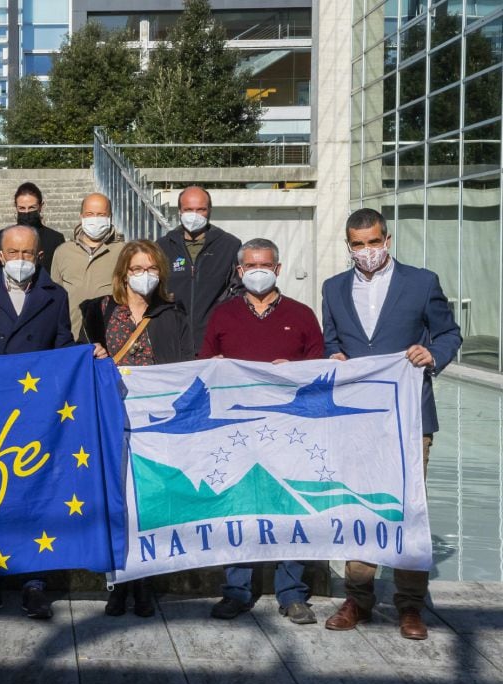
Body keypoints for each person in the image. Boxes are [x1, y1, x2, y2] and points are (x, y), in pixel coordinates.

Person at [322, 208, 462, 641]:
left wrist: (431, 355)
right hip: (358, 420)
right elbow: (332, 339)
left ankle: (409, 607)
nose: (367, 251)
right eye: (358, 244)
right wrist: (335, 357)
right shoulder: (333, 288)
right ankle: (357, 599)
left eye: (373, 241)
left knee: (407, 510)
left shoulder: (421, 282)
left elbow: (448, 333)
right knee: (359, 505)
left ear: (388, 238)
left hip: (409, 418)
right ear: (349, 246)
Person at [0, 224, 80, 620]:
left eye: (28, 254)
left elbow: (62, 347)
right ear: (0, 256)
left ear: (39, 257)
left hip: (35, 416)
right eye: (13, 253)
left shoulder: (55, 296)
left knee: (32, 496)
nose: (20, 260)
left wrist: (87, 357)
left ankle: (33, 584)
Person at [197, 238, 324, 625]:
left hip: (288, 431)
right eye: (249, 265)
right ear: (238, 272)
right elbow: (202, 367)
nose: (257, 271)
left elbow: (319, 374)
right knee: (239, 506)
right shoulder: (222, 315)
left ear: (278, 269)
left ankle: (292, 593)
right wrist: (217, 367)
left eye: (264, 264)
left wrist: (296, 373)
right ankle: (237, 590)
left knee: (289, 507)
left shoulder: (302, 315)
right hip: (237, 431)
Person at [79, 239, 194, 619]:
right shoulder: (100, 312)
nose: (143, 276)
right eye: (136, 269)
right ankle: (117, 584)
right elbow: (78, 357)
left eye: (150, 269)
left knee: (147, 502)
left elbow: (184, 364)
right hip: (110, 419)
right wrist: (91, 354)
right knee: (116, 500)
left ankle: (144, 582)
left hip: (154, 422)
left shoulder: (172, 314)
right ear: (123, 274)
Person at [156, 186, 242, 353]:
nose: (194, 215)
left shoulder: (230, 245)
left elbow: (239, 291)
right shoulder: (162, 246)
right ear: (180, 210)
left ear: (209, 210)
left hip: (214, 342)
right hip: (172, 341)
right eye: (188, 209)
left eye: (200, 209)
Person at [49, 192, 125, 338]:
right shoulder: (63, 251)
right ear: (81, 216)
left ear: (110, 218)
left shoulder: (124, 251)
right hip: (71, 337)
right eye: (89, 214)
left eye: (101, 214)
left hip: (112, 338)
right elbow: (54, 297)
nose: (95, 219)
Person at [0, 182, 65, 273]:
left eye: (31, 208)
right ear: (15, 207)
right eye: (22, 208)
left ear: (40, 206)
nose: (26, 212)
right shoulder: (1, 236)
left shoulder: (55, 239)